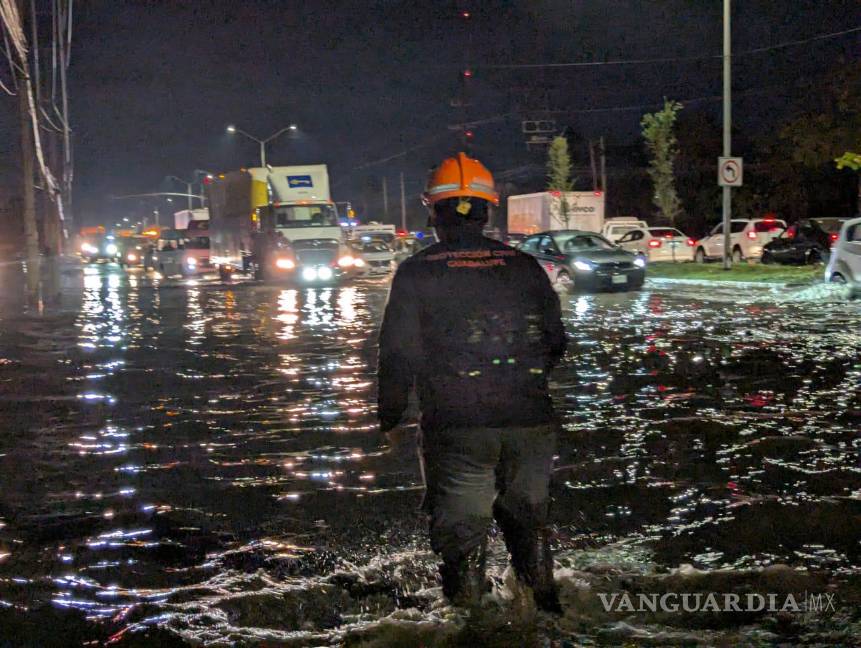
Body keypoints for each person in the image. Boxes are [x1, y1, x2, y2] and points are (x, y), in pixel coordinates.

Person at [377, 152, 567, 612]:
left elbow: (398, 353)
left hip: (458, 426)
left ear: (432, 209)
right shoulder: (525, 267)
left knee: (462, 539)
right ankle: (547, 613)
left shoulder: (418, 271)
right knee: (530, 525)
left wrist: (391, 414)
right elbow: (555, 342)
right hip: (530, 423)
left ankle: (470, 623)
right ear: (488, 209)